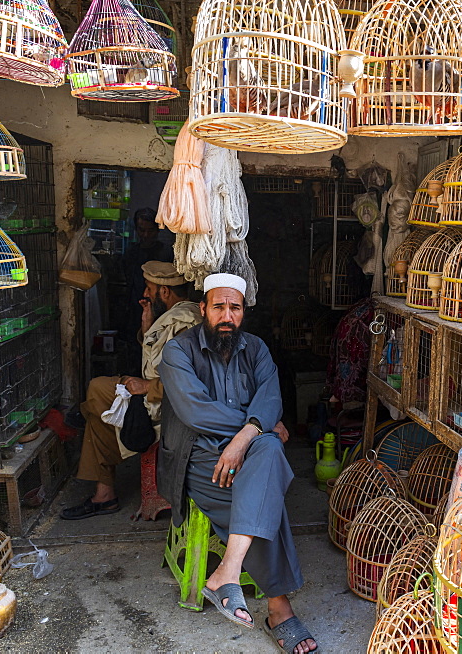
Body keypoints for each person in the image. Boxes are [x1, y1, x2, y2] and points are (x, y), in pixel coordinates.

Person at [157, 273, 317, 654]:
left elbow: (271, 396)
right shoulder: (178, 351)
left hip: (249, 452)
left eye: (235, 307)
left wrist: (246, 438)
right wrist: (257, 425)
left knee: (265, 461)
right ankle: (279, 610)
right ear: (203, 310)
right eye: (219, 306)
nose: (227, 315)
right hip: (198, 456)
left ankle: (227, 573)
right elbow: (196, 412)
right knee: (264, 492)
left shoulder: (257, 349)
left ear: (243, 312)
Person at [62, 261, 201, 520]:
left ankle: (80, 416)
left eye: (149, 289)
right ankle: (104, 497)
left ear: (165, 292)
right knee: (98, 416)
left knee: (96, 390)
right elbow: (157, 361)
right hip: (155, 398)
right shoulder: (173, 316)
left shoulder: (186, 322)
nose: (145, 295)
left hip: (166, 409)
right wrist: (147, 327)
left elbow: (191, 380)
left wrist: (148, 386)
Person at [121, 208, 174, 348]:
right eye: (141, 230)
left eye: (150, 231)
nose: (145, 235)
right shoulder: (131, 253)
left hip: (161, 309)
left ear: (157, 230)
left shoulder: (167, 253)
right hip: (134, 307)